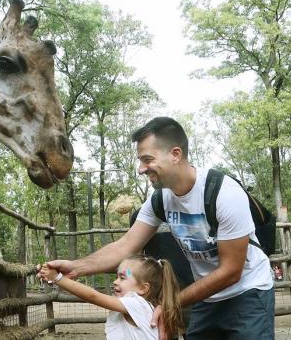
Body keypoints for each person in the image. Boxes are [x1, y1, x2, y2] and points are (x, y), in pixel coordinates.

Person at [43, 117, 274, 339]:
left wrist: (170, 303)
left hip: (247, 292)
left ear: (175, 154)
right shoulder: (160, 200)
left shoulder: (224, 194)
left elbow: (230, 271)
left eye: (147, 159)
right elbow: (126, 246)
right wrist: (75, 267)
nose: (141, 169)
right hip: (207, 297)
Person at [38, 255, 183, 339]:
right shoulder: (144, 307)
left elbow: (92, 296)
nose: (115, 281)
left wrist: (57, 277)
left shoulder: (137, 304)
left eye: (122, 278)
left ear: (143, 288)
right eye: (116, 276)